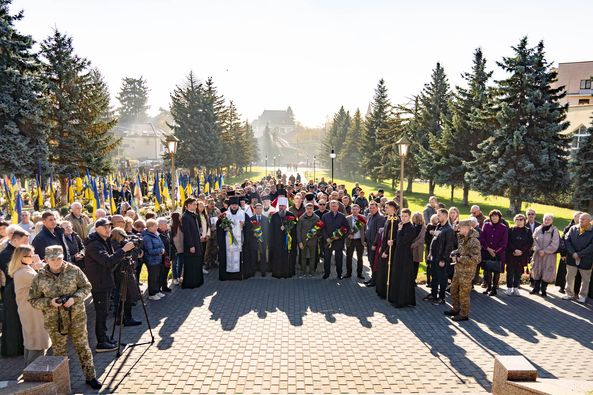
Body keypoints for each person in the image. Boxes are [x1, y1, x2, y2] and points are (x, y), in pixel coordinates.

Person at [28, 246, 102, 390]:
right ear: (46, 259)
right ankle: (63, 382)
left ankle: (91, 376)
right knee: (59, 352)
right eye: (53, 259)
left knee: (83, 347)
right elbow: (33, 300)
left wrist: (74, 299)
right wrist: (50, 302)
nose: (57, 262)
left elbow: (86, 287)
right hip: (54, 320)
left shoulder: (74, 270)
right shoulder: (39, 277)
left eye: (60, 258)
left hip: (76, 317)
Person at [84, 218, 135, 350]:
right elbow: (107, 261)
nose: (108, 229)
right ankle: (101, 342)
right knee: (101, 313)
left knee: (105, 313)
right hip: (99, 283)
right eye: (105, 227)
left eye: (109, 227)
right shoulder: (94, 244)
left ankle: (105, 337)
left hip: (105, 280)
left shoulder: (104, 241)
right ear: (97, 228)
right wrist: (123, 250)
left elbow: (112, 260)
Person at [10, 245, 50, 366]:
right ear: (22, 257)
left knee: (31, 339)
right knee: (37, 339)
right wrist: (41, 266)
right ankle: (34, 370)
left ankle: (30, 369)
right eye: (31, 256)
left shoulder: (23, 269)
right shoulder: (24, 272)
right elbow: (44, 282)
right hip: (32, 310)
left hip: (28, 308)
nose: (34, 257)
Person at [444, 219, 482, 321]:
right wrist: (454, 252)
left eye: (459, 227)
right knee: (453, 289)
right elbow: (462, 251)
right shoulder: (462, 238)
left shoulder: (474, 241)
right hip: (458, 269)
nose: (458, 229)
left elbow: (476, 259)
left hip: (467, 271)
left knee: (463, 293)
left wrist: (459, 259)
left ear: (466, 228)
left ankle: (464, 314)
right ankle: (456, 309)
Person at [0, 228, 29, 357]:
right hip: (12, 290)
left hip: (17, 288)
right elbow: (10, 272)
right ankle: (12, 350)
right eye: (24, 242)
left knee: (20, 320)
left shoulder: (16, 252)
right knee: (12, 321)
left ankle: (20, 348)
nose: (26, 245)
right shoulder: (6, 254)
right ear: (15, 240)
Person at [425, 209, 456, 305]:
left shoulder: (449, 230)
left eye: (439, 215)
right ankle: (433, 294)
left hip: (442, 258)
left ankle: (441, 298)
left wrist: (443, 259)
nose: (437, 217)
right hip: (434, 256)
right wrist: (430, 252)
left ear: (445, 216)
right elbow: (434, 241)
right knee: (434, 276)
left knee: (442, 278)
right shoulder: (439, 226)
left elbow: (449, 246)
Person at [216, 196, 252, 280]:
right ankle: (227, 275)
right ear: (230, 205)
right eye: (232, 205)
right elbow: (219, 225)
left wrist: (244, 226)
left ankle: (238, 275)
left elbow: (249, 226)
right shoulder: (225, 214)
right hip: (227, 241)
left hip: (240, 241)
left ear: (238, 205)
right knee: (227, 256)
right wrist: (224, 228)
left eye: (235, 204)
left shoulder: (243, 214)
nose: (234, 206)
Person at [388, 208, 416, 307]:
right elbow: (398, 240)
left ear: (409, 217)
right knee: (397, 275)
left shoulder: (411, 228)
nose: (403, 218)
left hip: (405, 256)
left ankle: (402, 301)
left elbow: (402, 241)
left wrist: (399, 232)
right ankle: (395, 298)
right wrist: (393, 241)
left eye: (405, 216)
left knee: (403, 277)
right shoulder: (402, 226)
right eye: (402, 216)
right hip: (398, 254)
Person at [564, 213, 593, 303]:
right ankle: (569, 294)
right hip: (572, 257)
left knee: (585, 279)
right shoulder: (573, 228)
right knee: (569, 276)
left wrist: (579, 254)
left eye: (583, 219)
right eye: (580, 218)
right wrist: (573, 253)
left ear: (589, 221)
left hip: (586, 259)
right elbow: (567, 240)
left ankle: (582, 296)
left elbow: (591, 246)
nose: (580, 220)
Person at [479, 210, 508, 296]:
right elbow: (482, 238)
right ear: (490, 217)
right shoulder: (486, 225)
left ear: (499, 217)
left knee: (496, 271)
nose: (494, 217)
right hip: (487, 251)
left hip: (498, 253)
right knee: (487, 271)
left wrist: (495, 251)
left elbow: (504, 242)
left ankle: (494, 289)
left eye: (496, 216)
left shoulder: (503, 227)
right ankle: (488, 287)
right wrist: (488, 249)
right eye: (493, 216)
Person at [530, 214, 559, 297]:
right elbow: (533, 240)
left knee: (547, 272)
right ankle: (536, 288)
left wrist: (545, 251)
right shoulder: (537, 229)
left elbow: (555, 243)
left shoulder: (554, 230)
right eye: (545, 219)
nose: (547, 221)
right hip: (537, 254)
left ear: (552, 221)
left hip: (549, 255)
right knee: (536, 270)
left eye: (549, 219)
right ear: (543, 219)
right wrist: (538, 250)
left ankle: (543, 290)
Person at [505, 214, 533, 296]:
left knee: (518, 271)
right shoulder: (511, 230)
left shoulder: (528, 231)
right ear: (515, 220)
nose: (519, 221)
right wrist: (514, 250)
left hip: (522, 255)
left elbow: (529, 242)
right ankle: (509, 288)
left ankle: (516, 287)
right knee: (510, 271)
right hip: (511, 254)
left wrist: (521, 251)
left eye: (521, 219)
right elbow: (508, 241)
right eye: (517, 219)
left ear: (524, 221)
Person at [321, 200, 350, 280]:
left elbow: (347, 228)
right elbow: (322, 228)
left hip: (338, 241)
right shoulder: (325, 216)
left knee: (339, 259)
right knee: (327, 259)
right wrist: (326, 238)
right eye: (332, 206)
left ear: (338, 207)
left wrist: (340, 236)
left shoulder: (342, 216)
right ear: (329, 206)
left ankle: (339, 274)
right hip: (328, 241)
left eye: (335, 206)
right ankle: (326, 274)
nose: (334, 207)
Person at [270, 197, 297, 278]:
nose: (281, 208)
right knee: (277, 257)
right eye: (280, 206)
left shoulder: (291, 215)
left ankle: (287, 273)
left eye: (283, 206)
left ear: (286, 206)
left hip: (287, 241)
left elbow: (294, 229)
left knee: (287, 257)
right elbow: (271, 229)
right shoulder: (274, 216)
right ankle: (277, 273)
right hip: (277, 241)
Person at [377, 201, 399, 298]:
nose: (385, 209)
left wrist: (386, 251)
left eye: (387, 207)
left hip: (390, 251)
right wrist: (382, 246)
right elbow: (385, 236)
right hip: (384, 247)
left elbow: (394, 238)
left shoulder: (395, 220)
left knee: (387, 271)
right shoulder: (388, 218)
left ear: (393, 208)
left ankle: (386, 292)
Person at [181, 198, 205, 288]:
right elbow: (187, 233)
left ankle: (197, 281)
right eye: (194, 204)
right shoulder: (185, 217)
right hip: (191, 245)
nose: (196, 206)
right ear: (188, 205)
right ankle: (191, 283)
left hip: (196, 242)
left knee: (197, 262)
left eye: (196, 204)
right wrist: (191, 245)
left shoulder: (193, 215)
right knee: (191, 264)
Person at [556, 211, 581, 294]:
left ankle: (574, 289)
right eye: (577, 216)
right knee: (564, 271)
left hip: (578, 254)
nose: (579, 218)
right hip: (567, 253)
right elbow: (563, 241)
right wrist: (563, 253)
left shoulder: (584, 228)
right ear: (574, 217)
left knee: (575, 273)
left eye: (580, 217)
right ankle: (563, 287)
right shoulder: (568, 227)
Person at [142, 219, 166, 299]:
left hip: (158, 259)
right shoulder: (146, 237)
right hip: (151, 261)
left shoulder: (155, 234)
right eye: (155, 226)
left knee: (157, 276)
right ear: (150, 227)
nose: (157, 227)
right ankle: (152, 294)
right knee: (152, 277)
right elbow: (149, 251)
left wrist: (162, 249)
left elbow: (161, 244)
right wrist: (160, 250)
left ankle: (157, 291)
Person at [364, 201, 386, 286]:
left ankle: (375, 280)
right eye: (370, 208)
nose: (372, 209)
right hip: (369, 242)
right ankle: (372, 278)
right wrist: (366, 240)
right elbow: (367, 229)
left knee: (374, 262)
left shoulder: (380, 218)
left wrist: (374, 243)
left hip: (374, 245)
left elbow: (379, 232)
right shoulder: (369, 216)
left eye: (373, 208)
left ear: (377, 208)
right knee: (370, 260)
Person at [296, 203, 320, 277]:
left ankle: (311, 272)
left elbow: (319, 230)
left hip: (313, 241)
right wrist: (299, 242)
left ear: (313, 209)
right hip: (303, 241)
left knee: (313, 257)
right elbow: (298, 231)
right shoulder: (301, 218)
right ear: (305, 209)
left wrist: (315, 234)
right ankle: (303, 271)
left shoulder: (317, 218)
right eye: (308, 209)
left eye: (311, 209)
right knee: (303, 257)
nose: (309, 210)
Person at [345, 204, 366, 279]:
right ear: (351, 210)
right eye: (353, 209)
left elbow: (365, 230)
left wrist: (365, 240)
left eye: (356, 209)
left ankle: (359, 273)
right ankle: (348, 273)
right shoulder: (347, 218)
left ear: (359, 210)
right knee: (349, 257)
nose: (355, 210)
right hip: (350, 240)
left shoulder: (363, 218)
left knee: (360, 258)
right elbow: (344, 229)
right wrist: (348, 235)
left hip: (360, 240)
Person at [250, 203, 271, 276]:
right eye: (257, 208)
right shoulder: (251, 219)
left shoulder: (266, 219)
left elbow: (268, 230)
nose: (258, 210)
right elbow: (249, 230)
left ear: (262, 209)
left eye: (260, 208)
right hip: (254, 241)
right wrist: (253, 234)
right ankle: (253, 270)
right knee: (253, 256)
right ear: (254, 209)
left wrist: (267, 241)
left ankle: (263, 271)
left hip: (263, 241)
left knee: (263, 256)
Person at [410, 212, 427, 286]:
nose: (412, 219)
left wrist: (414, 244)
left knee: (415, 264)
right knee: (410, 264)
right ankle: (409, 278)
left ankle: (413, 280)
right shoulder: (412, 225)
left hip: (417, 248)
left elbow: (422, 239)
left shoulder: (423, 227)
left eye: (413, 218)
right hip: (410, 248)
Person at [157, 218, 173, 293]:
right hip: (161, 257)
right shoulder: (158, 234)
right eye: (165, 224)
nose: (167, 225)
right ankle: (158, 288)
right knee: (161, 273)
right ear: (160, 226)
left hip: (167, 257)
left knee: (166, 272)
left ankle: (164, 286)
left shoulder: (166, 232)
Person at [196, 201, 212, 274]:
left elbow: (208, 225)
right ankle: (198, 268)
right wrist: (200, 236)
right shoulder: (196, 215)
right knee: (199, 254)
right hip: (199, 238)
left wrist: (208, 234)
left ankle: (201, 267)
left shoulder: (204, 215)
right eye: (200, 206)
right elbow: (197, 228)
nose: (201, 208)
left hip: (205, 237)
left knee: (203, 253)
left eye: (203, 206)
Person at [424, 214, 438, 287]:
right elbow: (425, 238)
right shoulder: (429, 226)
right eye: (435, 218)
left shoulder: (439, 227)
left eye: (437, 218)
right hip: (429, 248)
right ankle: (428, 281)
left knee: (435, 265)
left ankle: (434, 281)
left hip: (437, 249)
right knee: (428, 264)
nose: (437, 220)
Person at [171, 212, 184, 286]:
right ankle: (175, 278)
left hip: (182, 248)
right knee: (175, 264)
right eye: (179, 216)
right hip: (175, 249)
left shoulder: (181, 225)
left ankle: (179, 276)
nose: (180, 217)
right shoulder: (172, 227)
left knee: (180, 263)